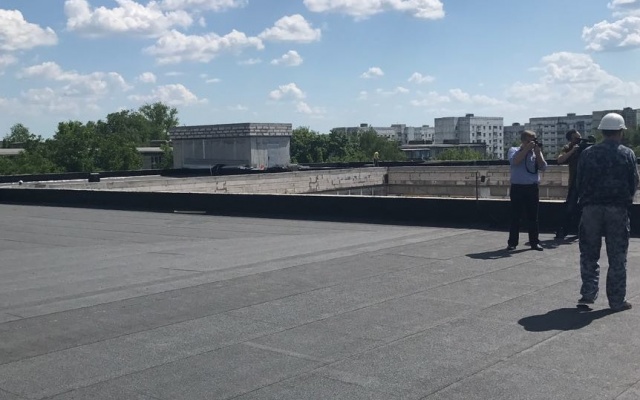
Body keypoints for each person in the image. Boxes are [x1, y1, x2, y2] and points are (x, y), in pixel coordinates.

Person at [576, 112, 638, 312]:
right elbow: (633, 182)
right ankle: (617, 300)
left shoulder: (587, 153)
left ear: (602, 131)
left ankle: (587, 296)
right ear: (620, 131)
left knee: (589, 254)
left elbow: (579, 181)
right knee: (617, 257)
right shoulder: (627, 153)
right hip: (617, 210)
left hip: (591, 209)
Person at [507, 130, 547, 251]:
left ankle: (534, 242)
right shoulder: (514, 150)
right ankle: (512, 243)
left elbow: (543, 167)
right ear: (524, 141)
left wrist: (538, 153)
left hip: (532, 187)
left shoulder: (535, 152)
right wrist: (525, 150)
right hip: (517, 187)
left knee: (533, 217)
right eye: (530, 140)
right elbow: (515, 161)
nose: (533, 143)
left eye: (534, 140)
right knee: (515, 216)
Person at [555, 129, 583, 239]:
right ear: (571, 139)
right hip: (574, 182)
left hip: (587, 183)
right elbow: (559, 160)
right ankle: (564, 229)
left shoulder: (586, 147)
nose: (579, 140)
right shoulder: (568, 148)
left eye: (580, 138)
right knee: (570, 207)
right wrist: (572, 151)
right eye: (576, 138)